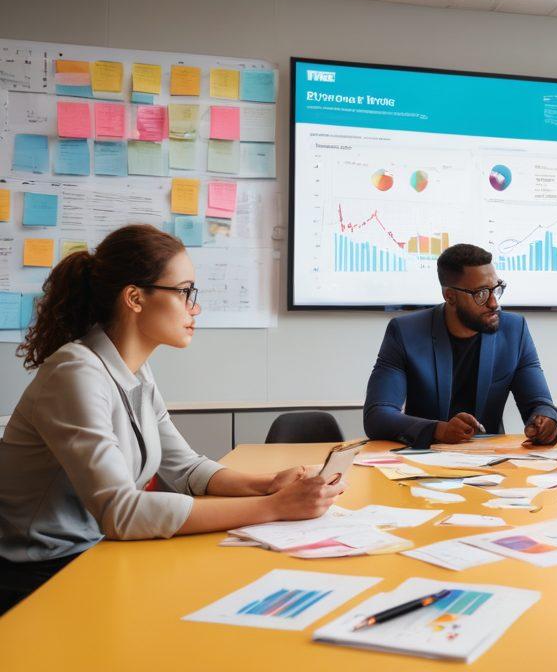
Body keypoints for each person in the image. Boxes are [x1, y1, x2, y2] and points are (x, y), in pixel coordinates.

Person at [0, 225, 342, 615]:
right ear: (134, 298)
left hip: (93, 557)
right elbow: (121, 513)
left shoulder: (136, 372)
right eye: (185, 292)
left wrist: (267, 485)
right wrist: (275, 507)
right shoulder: (74, 373)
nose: (195, 308)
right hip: (40, 577)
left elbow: (186, 469)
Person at [363, 243, 557, 448]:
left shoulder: (514, 330)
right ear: (450, 296)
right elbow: (377, 416)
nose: (494, 303)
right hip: (424, 458)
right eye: (481, 294)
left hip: (491, 461)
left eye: (496, 289)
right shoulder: (405, 332)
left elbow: (539, 403)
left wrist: (547, 421)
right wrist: (440, 430)